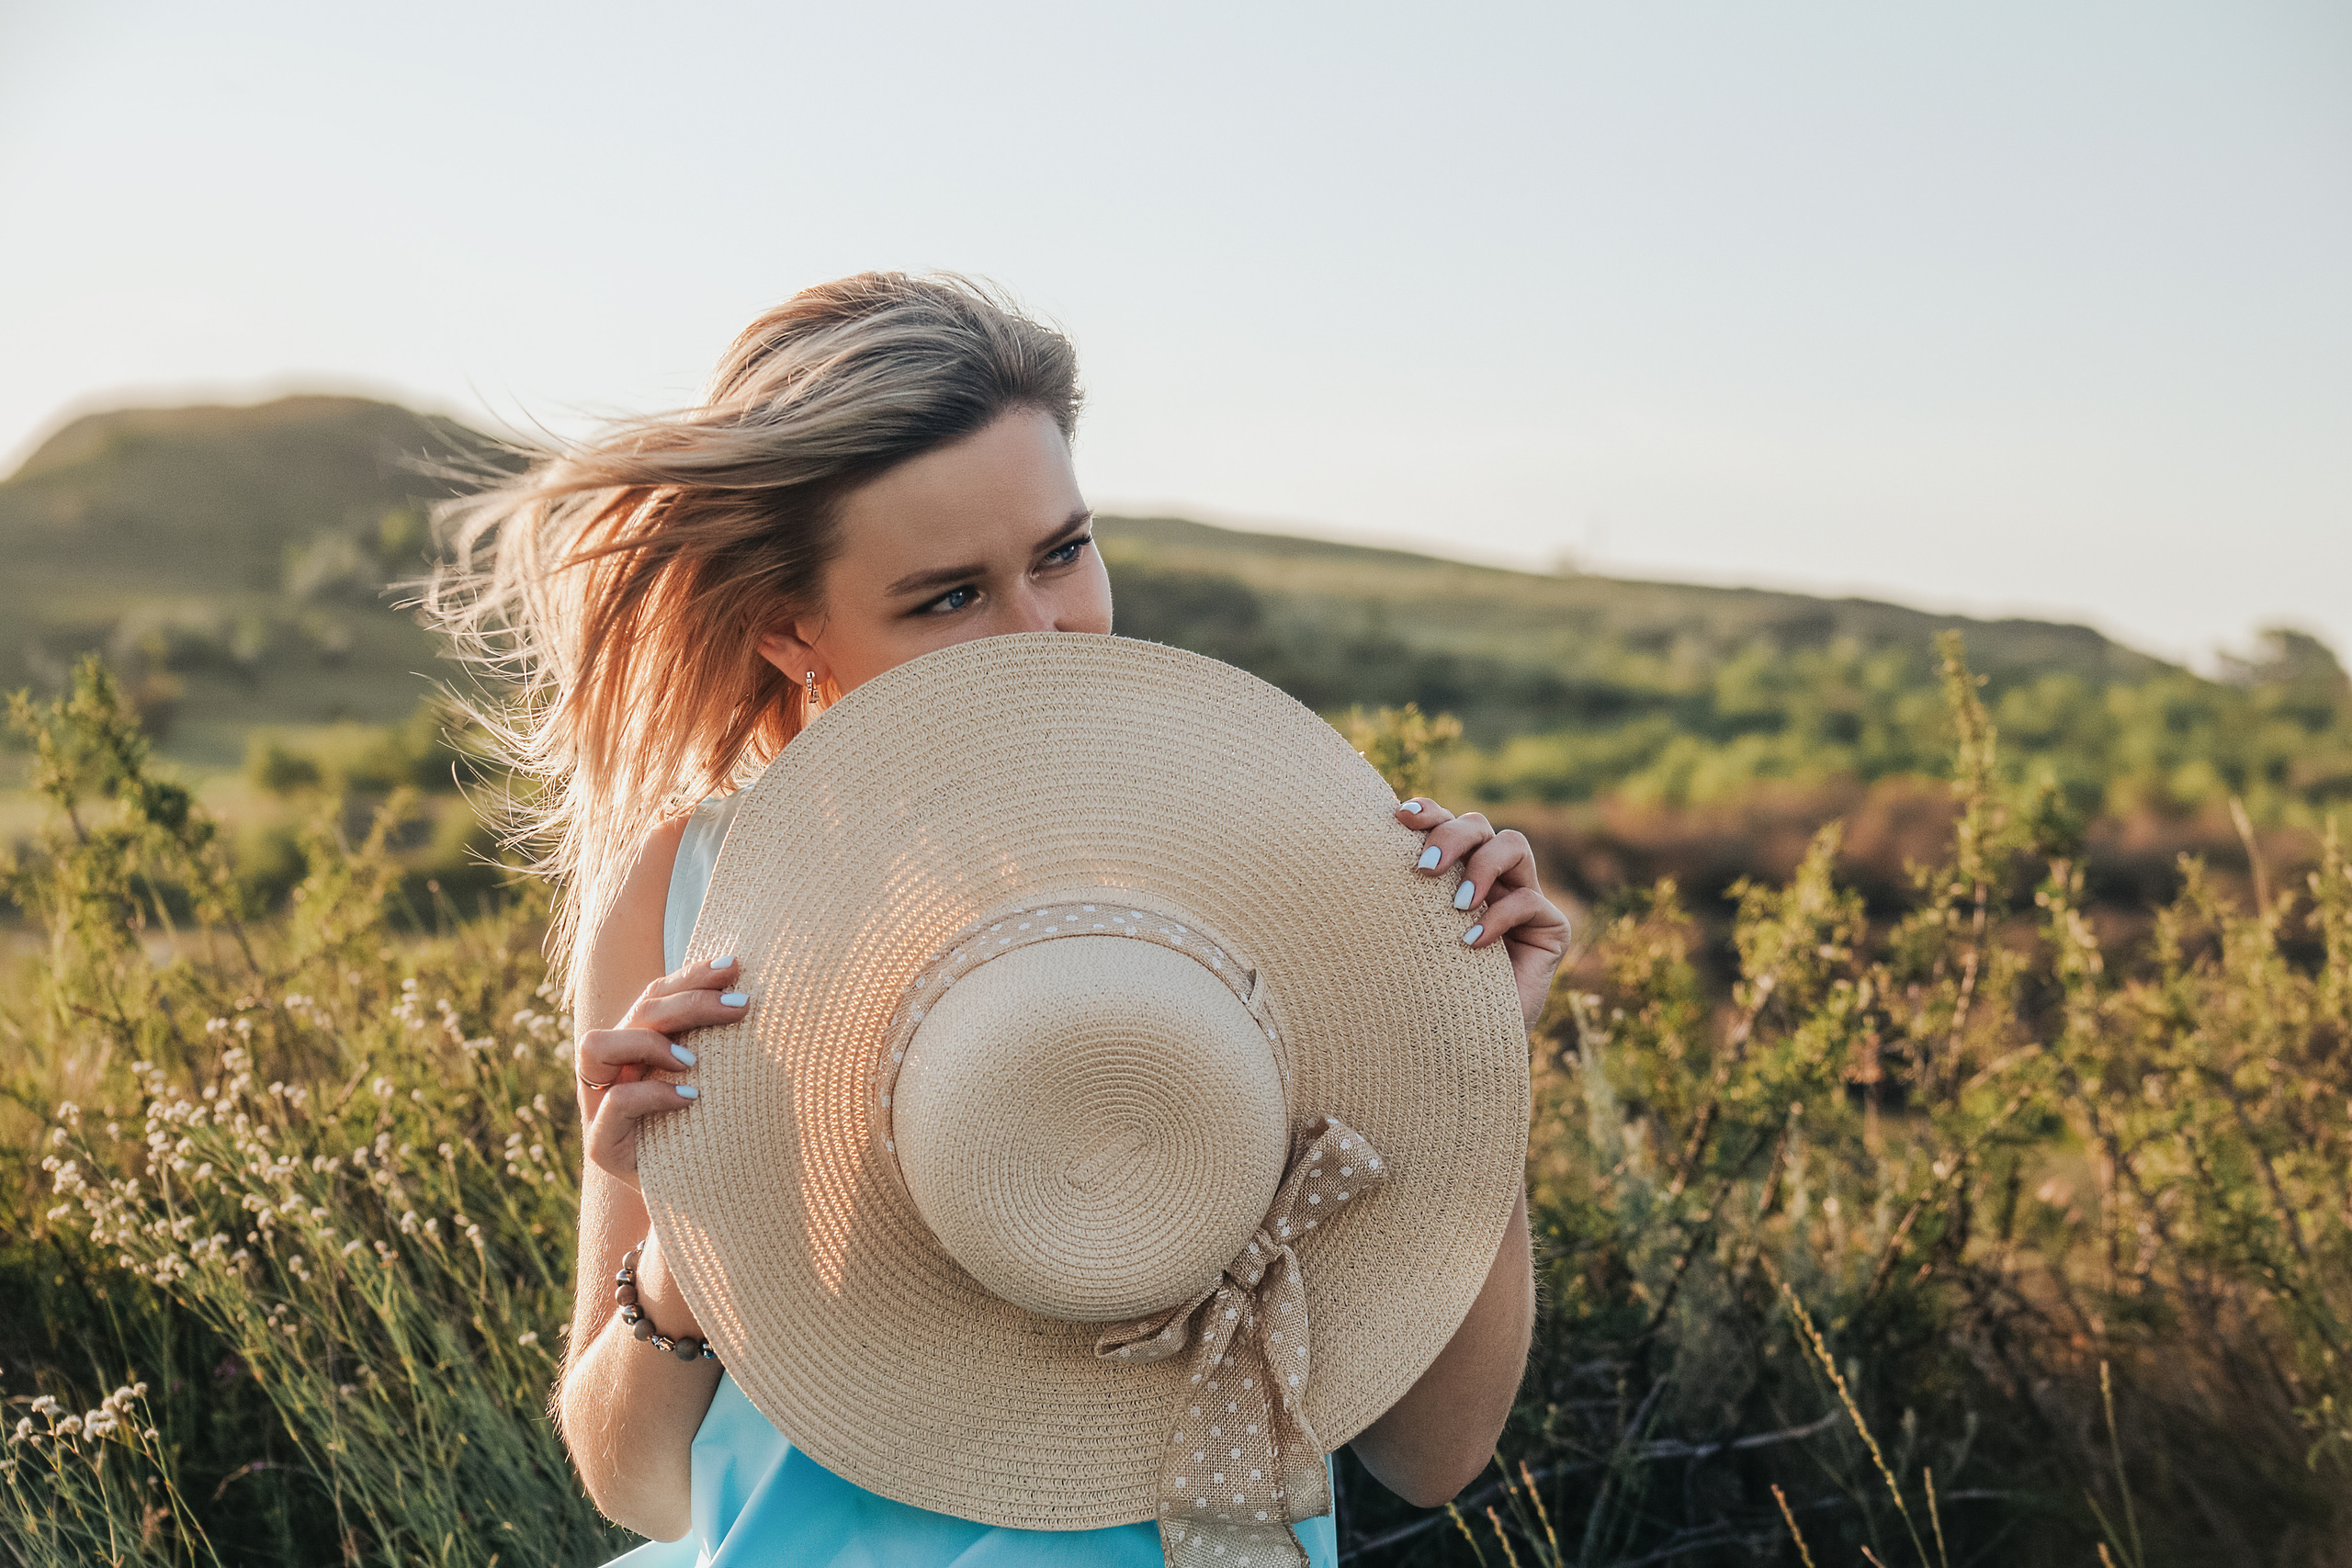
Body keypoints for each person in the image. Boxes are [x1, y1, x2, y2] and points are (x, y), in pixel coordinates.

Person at [431, 273, 1570, 1563]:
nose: (1043, 633)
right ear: (789, 630)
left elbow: (1433, 1457)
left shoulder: (1280, 887)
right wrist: (690, 1256)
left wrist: (1467, 1054)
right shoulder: (683, 897)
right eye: (949, 597)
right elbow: (637, 1492)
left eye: (1062, 553)